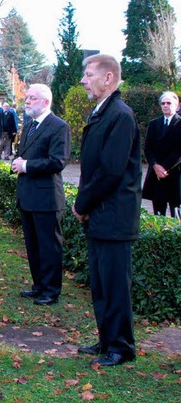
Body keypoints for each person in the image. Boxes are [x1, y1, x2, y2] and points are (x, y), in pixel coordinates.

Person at [72, 54, 141, 367]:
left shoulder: (121, 115)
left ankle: (121, 347)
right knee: (101, 284)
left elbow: (111, 171)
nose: (84, 80)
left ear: (108, 77)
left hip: (113, 216)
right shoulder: (103, 112)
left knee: (114, 286)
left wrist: (82, 204)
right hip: (101, 215)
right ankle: (107, 340)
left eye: (89, 74)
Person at [11, 84, 71, 306]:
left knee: (48, 246)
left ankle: (51, 290)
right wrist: (17, 163)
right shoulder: (29, 126)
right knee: (33, 245)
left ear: (46, 102)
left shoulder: (58, 127)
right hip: (27, 196)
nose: (26, 101)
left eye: (32, 98)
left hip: (46, 199)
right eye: (27, 97)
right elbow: (22, 154)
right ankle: (38, 286)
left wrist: (26, 166)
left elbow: (58, 161)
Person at [142, 91, 181, 217]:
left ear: (176, 105)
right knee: (158, 212)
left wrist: (164, 168)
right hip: (156, 174)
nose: (165, 105)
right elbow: (148, 148)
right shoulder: (154, 124)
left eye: (169, 103)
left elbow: (179, 150)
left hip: (174, 173)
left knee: (176, 211)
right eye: (163, 103)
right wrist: (155, 165)